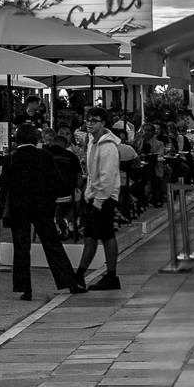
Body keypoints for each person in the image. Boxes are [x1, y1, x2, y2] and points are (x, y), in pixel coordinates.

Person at [0, 123, 83, 300]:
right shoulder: (45, 155)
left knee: (21, 248)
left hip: (18, 208)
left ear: (17, 139)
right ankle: (70, 282)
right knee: (52, 245)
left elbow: (4, 188)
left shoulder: (10, 159)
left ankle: (25, 289)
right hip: (43, 207)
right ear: (35, 138)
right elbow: (58, 182)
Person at [75, 114, 123, 290]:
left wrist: (100, 199)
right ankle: (79, 275)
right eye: (87, 120)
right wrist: (90, 195)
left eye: (94, 121)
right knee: (90, 237)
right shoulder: (91, 142)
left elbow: (108, 176)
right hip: (93, 196)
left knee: (106, 235)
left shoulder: (108, 147)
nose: (89, 124)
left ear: (103, 123)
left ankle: (111, 276)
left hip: (104, 198)